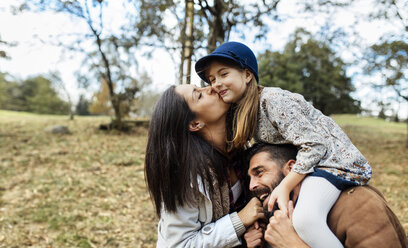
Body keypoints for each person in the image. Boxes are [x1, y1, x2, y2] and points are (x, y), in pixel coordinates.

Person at [195, 41, 372, 248]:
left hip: (332, 163)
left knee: (305, 220)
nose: (216, 83)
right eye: (212, 79)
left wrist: (285, 186)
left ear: (247, 75)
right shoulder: (244, 112)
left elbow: (315, 145)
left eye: (224, 74)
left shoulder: (273, 100)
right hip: (311, 165)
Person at [144, 85, 264, 247]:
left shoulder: (240, 148)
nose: (211, 88)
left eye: (201, 87)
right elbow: (180, 244)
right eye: (198, 96)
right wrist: (240, 220)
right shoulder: (186, 177)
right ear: (195, 123)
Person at [244, 143, 407, 248]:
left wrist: (293, 245)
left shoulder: (358, 204)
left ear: (291, 168)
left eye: (259, 172)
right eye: (249, 179)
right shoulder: (273, 222)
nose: (252, 186)